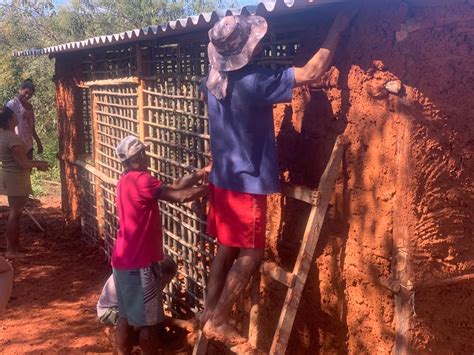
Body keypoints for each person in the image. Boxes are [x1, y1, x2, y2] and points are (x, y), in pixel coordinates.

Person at [199, 8, 358, 345]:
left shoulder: (212, 80)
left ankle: (208, 311)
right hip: (245, 184)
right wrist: (338, 26)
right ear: (246, 50)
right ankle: (219, 318)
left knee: (225, 248)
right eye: (254, 43)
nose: (260, 45)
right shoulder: (254, 82)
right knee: (252, 254)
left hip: (223, 180)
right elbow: (314, 72)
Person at [112, 136, 209, 355]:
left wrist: (201, 174)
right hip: (141, 264)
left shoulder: (126, 179)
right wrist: (211, 188)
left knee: (125, 317)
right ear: (141, 156)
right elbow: (180, 196)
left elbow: (172, 187)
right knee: (150, 323)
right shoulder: (142, 180)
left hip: (122, 260)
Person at [0, 107, 49, 259]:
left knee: (15, 213)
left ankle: (15, 246)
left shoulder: (2, 136)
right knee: (15, 214)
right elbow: (22, 163)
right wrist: (39, 164)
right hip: (17, 179)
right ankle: (11, 250)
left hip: (9, 176)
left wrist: (35, 163)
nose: (17, 118)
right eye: (15, 116)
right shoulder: (13, 139)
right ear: (9, 120)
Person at [97, 255, 178, 326]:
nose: (167, 284)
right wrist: (177, 322)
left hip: (124, 308)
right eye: (165, 281)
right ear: (159, 274)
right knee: (146, 324)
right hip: (108, 311)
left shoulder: (147, 274)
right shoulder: (139, 281)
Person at [6, 79, 43, 160]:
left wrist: (38, 142)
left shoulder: (30, 107)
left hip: (28, 143)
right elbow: (6, 124)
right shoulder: (12, 104)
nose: (27, 96)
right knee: (18, 168)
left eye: (30, 95)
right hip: (15, 143)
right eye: (26, 92)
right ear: (20, 89)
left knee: (27, 169)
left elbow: (31, 126)